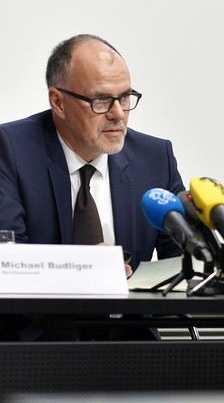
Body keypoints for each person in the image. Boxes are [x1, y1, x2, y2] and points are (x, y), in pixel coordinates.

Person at [0, 34, 185, 340]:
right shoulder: (11, 150)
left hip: (131, 347)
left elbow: (176, 258)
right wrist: (82, 268)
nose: (118, 114)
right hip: (33, 349)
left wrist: (206, 259)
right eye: (101, 100)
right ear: (58, 101)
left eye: (125, 97)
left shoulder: (154, 158)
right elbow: (7, 259)